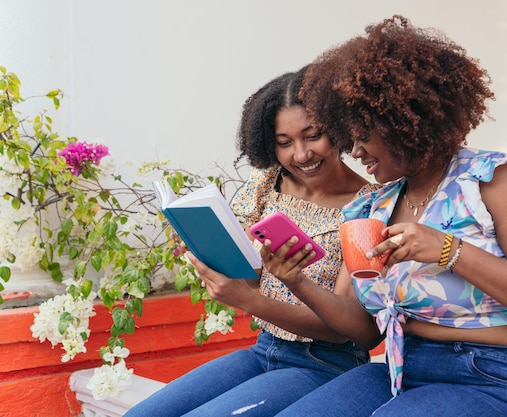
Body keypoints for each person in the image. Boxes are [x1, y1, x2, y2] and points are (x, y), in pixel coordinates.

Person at [264, 16, 507, 417]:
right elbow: (360, 327)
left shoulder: (493, 179)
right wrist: (297, 281)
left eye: (362, 133)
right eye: (346, 137)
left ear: (401, 119)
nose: (354, 151)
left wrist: (449, 249)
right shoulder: (370, 207)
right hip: (401, 369)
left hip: (497, 374)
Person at [124, 67, 379, 417]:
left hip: (324, 364)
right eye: (284, 143)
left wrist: (246, 299)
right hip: (263, 350)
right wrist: (209, 252)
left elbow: (342, 331)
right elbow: (252, 276)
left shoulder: (369, 206)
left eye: (313, 135)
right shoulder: (267, 183)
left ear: (337, 128)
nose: (301, 154)